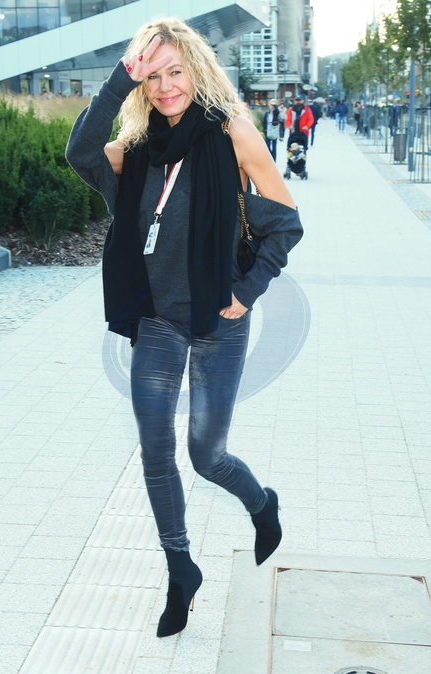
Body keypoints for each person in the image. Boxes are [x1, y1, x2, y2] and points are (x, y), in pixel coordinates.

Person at [66, 17, 303, 639]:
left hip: (219, 319)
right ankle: (180, 570)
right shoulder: (135, 149)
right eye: (153, 75)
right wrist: (119, 79)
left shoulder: (233, 133)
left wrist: (246, 293)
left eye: (176, 71)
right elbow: (80, 152)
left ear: (196, 70)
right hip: (157, 318)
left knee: (206, 455)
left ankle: (261, 502)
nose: (166, 86)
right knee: (155, 451)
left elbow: (286, 224)